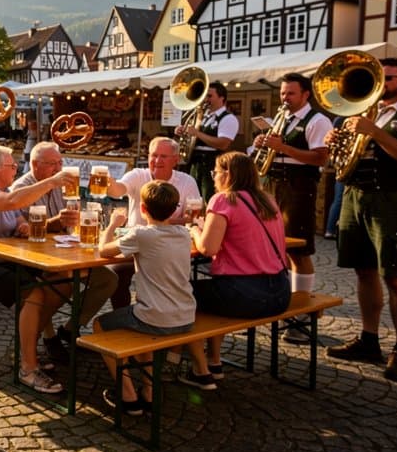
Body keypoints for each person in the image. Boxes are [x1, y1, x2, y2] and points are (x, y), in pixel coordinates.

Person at [0, 145, 77, 394]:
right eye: (12, 166)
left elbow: (22, 222)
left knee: (63, 281)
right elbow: (10, 202)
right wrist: (51, 182)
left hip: (3, 261)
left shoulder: (5, 190)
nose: (16, 169)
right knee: (34, 293)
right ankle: (28, 368)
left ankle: (25, 346)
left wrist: (29, 227)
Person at [326, 57, 397, 381]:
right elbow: (339, 162)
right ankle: (369, 338)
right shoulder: (359, 114)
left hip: (392, 199)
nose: (381, 85)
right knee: (363, 270)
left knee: (394, 274)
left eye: (388, 78)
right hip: (354, 195)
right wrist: (337, 144)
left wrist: (374, 131)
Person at [96, 182, 206, 414]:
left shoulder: (141, 234)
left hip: (155, 317)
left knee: (99, 325)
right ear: (175, 209)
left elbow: (104, 250)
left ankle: (127, 394)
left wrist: (114, 224)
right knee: (143, 323)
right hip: (186, 315)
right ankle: (149, 390)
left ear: (143, 209)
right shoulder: (183, 234)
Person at [188, 151, 291, 386]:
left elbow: (207, 247)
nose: (213, 176)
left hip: (244, 295)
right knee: (211, 291)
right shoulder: (267, 200)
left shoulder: (224, 200)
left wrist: (194, 228)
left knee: (182, 294)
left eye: (216, 172)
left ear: (228, 175)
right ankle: (214, 359)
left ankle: (200, 370)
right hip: (279, 292)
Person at [13, 142, 118, 364]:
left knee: (108, 279)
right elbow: (24, 232)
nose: (58, 168)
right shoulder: (21, 188)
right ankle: (36, 340)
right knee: (62, 281)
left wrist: (75, 221)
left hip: (65, 254)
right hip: (35, 259)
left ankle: (70, 329)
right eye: (53, 164)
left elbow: (69, 224)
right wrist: (57, 221)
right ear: (34, 164)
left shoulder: (63, 184)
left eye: (60, 162)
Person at [252, 72, 330, 343]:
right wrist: (261, 144)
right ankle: (282, 302)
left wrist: (283, 147)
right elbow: (270, 152)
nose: (285, 98)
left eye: (291, 93)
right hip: (275, 184)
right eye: (283, 93)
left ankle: (302, 312)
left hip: (299, 186)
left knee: (299, 248)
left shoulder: (317, 120)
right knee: (276, 247)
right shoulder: (282, 119)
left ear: (306, 94)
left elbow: (320, 158)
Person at [105, 137, 202, 309]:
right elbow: (117, 190)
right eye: (154, 155)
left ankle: (154, 313)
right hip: (133, 243)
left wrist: (159, 223)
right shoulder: (138, 174)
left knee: (169, 276)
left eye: (163, 156)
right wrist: (108, 182)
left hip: (167, 245)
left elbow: (193, 217)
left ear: (175, 159)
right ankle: (124, 316)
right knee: (115, 274)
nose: (157, 161)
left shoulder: (187, 181)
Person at [176, 80, 239, 201]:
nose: (205, 99)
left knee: (209, 198)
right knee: (192, 199)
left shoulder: (228, 118)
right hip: (195, 163)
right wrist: (183, 132)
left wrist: (197, 133)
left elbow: (223, 144)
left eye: (210, 96)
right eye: (205, 96)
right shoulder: (203, 116)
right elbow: (193, 138)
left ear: (222, 98)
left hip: (212, 164)